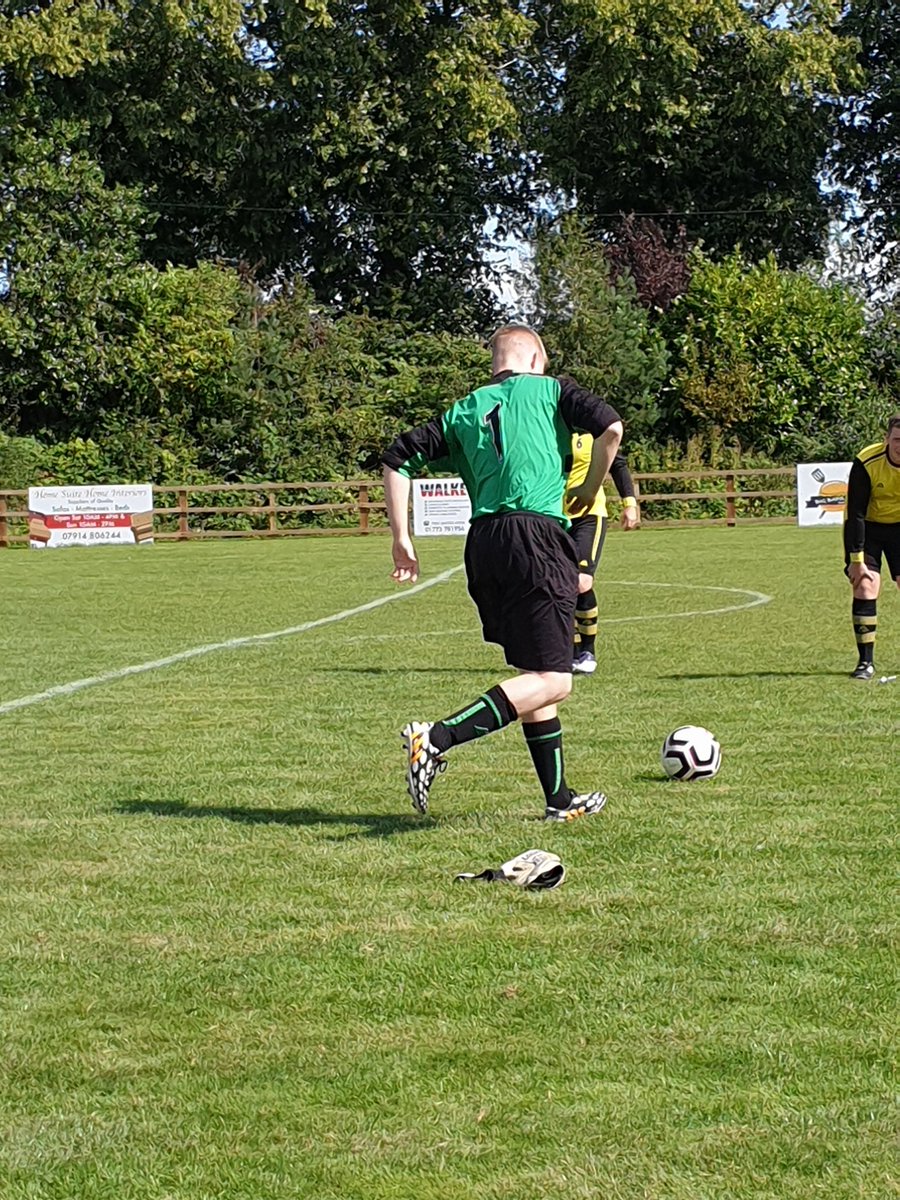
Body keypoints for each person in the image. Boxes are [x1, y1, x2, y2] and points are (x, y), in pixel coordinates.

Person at [381, 324, 624, 821]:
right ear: (537, 359)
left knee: (534, 673)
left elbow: (397, 459)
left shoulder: (464, 409)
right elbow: (612, 428)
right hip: (535, 537)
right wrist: (591, 486)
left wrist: (401, 539)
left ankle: (559, 799)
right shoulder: (553, 391)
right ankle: (437, 738)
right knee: (556, 680)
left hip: (485, 545)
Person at [567, 438, 639, 674]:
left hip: (589, 514)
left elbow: (618, 464)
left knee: (581, 581)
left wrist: (629, 504)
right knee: (557, 583)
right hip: (553, 516)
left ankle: (587, 652)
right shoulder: (548, 427)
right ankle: (571, 652)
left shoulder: (594, 431)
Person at [844, 414, 900, 680]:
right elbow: (854, 513)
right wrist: (856, 560)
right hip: (869, 528)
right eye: (897, 439)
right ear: (887, 439)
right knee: (865, 585)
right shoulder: (867, 461)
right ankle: (865, 663)